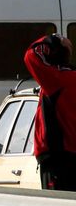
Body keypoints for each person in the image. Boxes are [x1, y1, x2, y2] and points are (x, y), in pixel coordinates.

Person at [23, 33, 76, 192]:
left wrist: (51, 39)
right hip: (68, 154)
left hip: (58, 157)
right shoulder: (69, 78)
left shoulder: (57, 79)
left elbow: (31, 55)